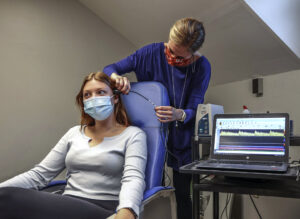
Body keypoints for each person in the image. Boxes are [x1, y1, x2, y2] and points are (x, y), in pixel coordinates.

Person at [103, 17, 211, 219]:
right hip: (151, 134)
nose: (171, 58)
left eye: (179, 58)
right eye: (169, 51)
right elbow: (109, 68)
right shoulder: (149, 53)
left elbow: (196, 107)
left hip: (182, 138)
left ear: (193, 56)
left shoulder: (202, 66)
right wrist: (116, 77)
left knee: (182, 194)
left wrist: (180, 114)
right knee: (150, 189)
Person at [0, 72, 147, 219]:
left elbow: (133, 178)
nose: (93, 98)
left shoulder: (133, 134)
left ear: (115, 98)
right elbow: (39, 175)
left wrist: (127, 211)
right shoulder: (74, 133)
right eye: (87, 95)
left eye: (100, 92)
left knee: (7, 197)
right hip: (69, 203)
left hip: (105, 208)